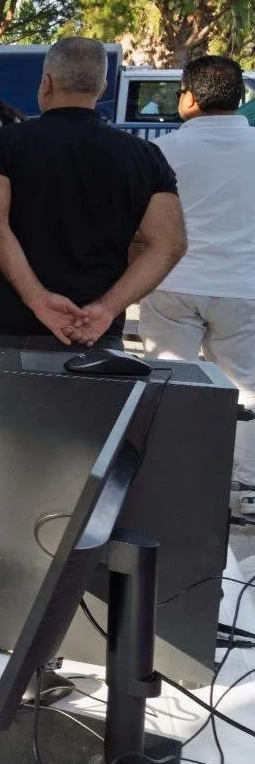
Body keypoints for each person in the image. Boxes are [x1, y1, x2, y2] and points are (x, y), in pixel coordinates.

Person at [0, 37, 186, 360]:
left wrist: (38, 299)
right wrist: (106, 309)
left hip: (0, 326)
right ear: (103, 88)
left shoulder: (6, 143)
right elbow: (170, 243)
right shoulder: (145, 156)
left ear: (46, 83)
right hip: (93, 334)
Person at [138, 55, 255, 505]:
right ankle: (242, 489)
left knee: (169, 381)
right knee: (246, 386)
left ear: (188, 98)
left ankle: (169, 481)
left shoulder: (163, 150)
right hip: (243, 286)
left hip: (174, 281)